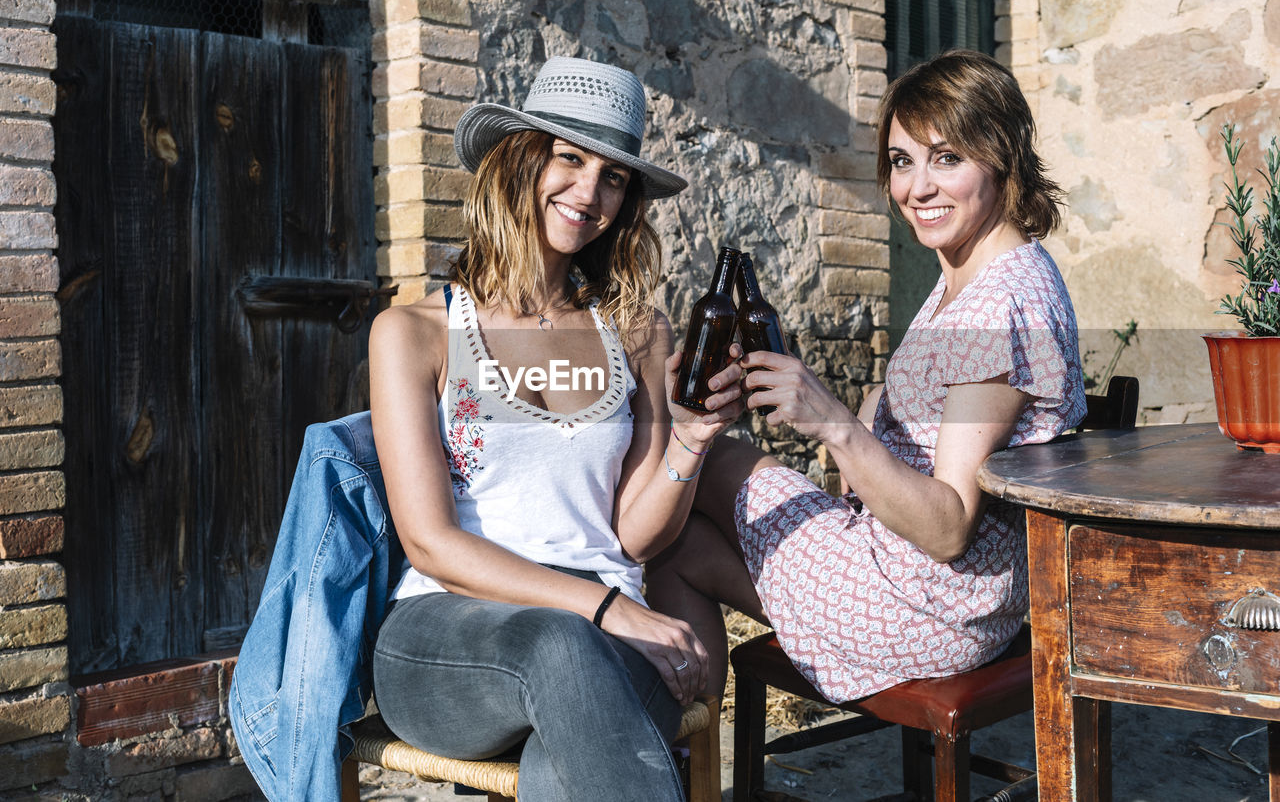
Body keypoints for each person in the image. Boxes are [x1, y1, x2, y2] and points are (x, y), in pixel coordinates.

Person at [647, 49, 1087, 704]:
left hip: (926, 604)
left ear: (1001, 155)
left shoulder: (999, 304)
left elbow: (948, 526)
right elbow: (966, 398)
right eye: (903, 162)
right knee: (679, 547)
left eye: (947, 158)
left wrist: (833, 422)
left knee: (697, 472)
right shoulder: (978, 271)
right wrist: (884, 402)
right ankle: (687, 758)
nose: (918, 188)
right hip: (941, 585)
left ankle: (664, 747)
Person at [367, 56, 742, 801]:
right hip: (448, 634)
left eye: (613, 176)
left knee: (559, 769)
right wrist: (601, 606)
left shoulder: (635, 331)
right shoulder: (414, 332)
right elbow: (429, 542)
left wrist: (691, 440)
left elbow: (633, 536)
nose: (590, 192)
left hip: (611, 629)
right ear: (521, 160)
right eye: (570, 159)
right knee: (560, 645)